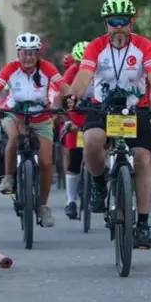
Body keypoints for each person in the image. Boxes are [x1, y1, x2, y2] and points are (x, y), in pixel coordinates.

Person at [66, 0, 151, 249]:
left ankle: (143, 223)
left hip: (136, 110)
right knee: (91, 141)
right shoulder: (95, 47)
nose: (119, 27)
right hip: (103, 109)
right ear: (106, 25)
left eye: (124, 21)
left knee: (144, 159)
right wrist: (73, 95)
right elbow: (84, 75)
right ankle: (100, 185)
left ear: (132, 22)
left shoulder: (144, 46)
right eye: (114, 22)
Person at [0, 33, 69, 228]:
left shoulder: (46, 68)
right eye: (24, 53)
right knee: (13, 138)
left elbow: (63, 86)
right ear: (18, 53)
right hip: (15, 113)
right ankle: (8, 178)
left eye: (32, 53)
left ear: (37, 54)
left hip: (42, 117)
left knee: (47, 162)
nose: (28, 57)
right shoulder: (11, 68)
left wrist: (69, 99)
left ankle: (43, 206)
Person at [61, 41, 90, 219]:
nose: (82, 67)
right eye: (79, 63)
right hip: (76, 121)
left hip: (96, 117)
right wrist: (65, 121)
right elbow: (61, 98)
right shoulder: (71, 72)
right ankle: (70, 201)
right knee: (74, 159)